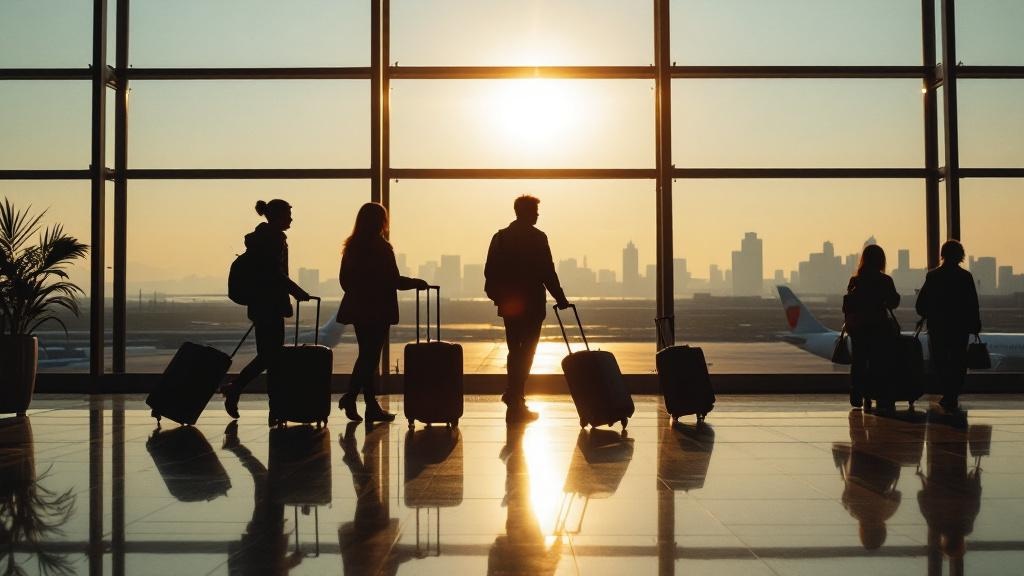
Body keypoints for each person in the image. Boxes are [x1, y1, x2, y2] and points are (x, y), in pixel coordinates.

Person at [337, 202, 428, 423]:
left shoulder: (352, 246)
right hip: (378, 309)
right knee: (370, 356)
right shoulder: (381, 247)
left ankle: (368, 404)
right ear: (381, 221)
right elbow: (393, 280)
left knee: (366, 356)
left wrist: (361, 291)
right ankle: (353, 398)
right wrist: (416, 282)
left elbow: (344, 281)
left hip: (359, 309)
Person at [485, 195, 571, 424]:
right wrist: (560, 298)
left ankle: (514, 395)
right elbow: (547, 272)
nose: (537, 215)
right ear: (525, 212)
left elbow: (490, 273)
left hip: (510, 305)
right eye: (535, 210)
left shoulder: (501, 237)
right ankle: (515, 395)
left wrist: (499, 298)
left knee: (515, 350)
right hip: (532, 304)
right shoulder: (537, 238)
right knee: (528, 351)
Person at [222, 199, 311, 419]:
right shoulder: (273, 240)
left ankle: (271, 404)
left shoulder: (262, 239)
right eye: (288, 214)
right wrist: (295, 291)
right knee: (271, 357)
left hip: (262, 305)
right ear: (277, 216)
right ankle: (243, 390)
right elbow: (275, 274)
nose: (291, 218)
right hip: (269, 305)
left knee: (270, 357)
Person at [915, 240, 982, 411]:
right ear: (960, 256)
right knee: (958, 360)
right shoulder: (965, 277)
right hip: (959, 327)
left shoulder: (933, 276)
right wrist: (974, 324)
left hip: (938, 327)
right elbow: (972, 304)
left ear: (942, 254)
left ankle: (947, 392)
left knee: (941, 360)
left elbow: (921, 304)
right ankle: (953, 393)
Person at [844, 244, 900, 412]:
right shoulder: (885, 280)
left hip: (859, 327)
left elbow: (850, 304)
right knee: (879, 362)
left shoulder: (855, 280)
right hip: (879, 327)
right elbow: (894, 302)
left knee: (859, 361)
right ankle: (878, 393)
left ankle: (858, 393)